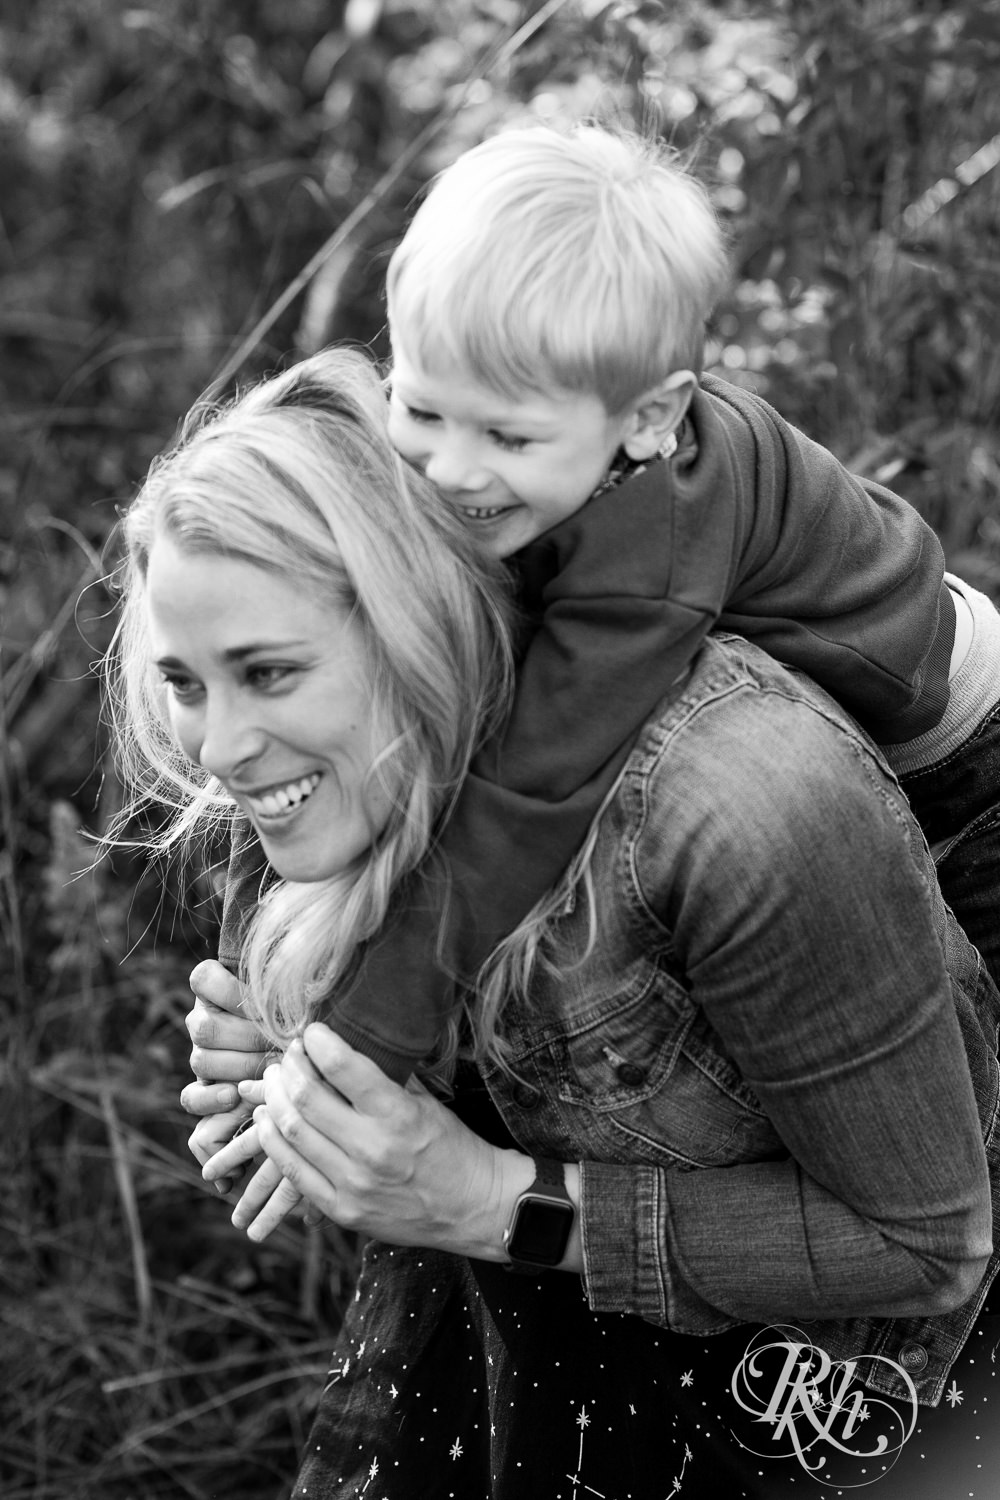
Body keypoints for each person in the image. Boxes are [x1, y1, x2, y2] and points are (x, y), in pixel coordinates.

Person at [104, 348, 1000, 1497]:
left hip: (826, 1375)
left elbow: (921, 1245)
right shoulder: (323, 762)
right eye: (185, 684)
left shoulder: (744, 802)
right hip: (525, 1325)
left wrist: (483, 1202)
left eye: (268, 675)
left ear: (418, 627)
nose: (219, 753)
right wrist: (307, 1065)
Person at [215, 121, 1000, 1091]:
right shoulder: (557, 439)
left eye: (506, 435)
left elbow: (533, 791)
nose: (451, 471)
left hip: (964, 758)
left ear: (651, 418)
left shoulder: (650, 550)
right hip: (892, 658)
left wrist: (366, 1034)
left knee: (964, 1073)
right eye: (420, 409)